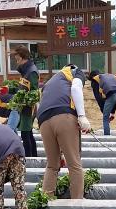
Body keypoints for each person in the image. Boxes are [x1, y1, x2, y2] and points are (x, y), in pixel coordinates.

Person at [37, 64, 90, 199]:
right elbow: (76, 88)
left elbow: (40, 103)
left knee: (52, 165)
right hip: (64, 116)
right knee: (74, 164)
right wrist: (82, 116)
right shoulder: (75, 71)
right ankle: (77, 207)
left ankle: (45, 201)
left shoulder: (51, 82)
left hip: (43, 120)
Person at [11, 45, 39, 157]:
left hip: (29, 107)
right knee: (28, 133)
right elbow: (22, 88)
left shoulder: (31, 72)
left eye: (17, 59)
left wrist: (22, 100)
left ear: (23, 58)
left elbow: (34, 93)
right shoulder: (26, 71)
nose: (17, 62)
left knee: (25, 134)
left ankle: (30, 159)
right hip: (24, 106)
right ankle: (33, 157)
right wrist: (9, 89)